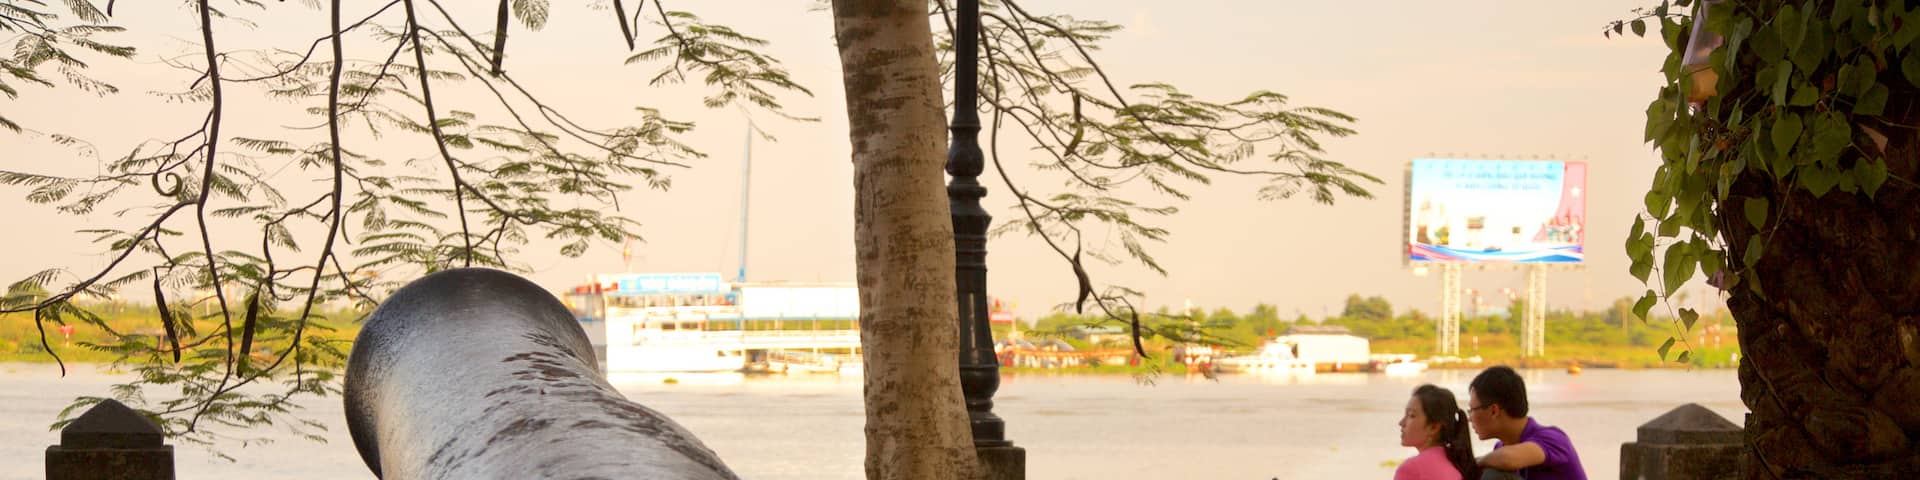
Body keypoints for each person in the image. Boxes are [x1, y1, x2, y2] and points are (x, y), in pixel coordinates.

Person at [1467, 366, 1587, 479]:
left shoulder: (1553, 439)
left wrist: (1476, 462)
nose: (1469, 418)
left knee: (1494, 475)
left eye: (1472, 410)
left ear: (1494, 411)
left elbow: (1509, 459)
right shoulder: (1500, 449)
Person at [1396, 384, 1479, 480]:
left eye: (1411, 415)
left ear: (1434, 427)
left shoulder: (1411, 469)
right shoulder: (1457, 464)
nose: (1401, 423)